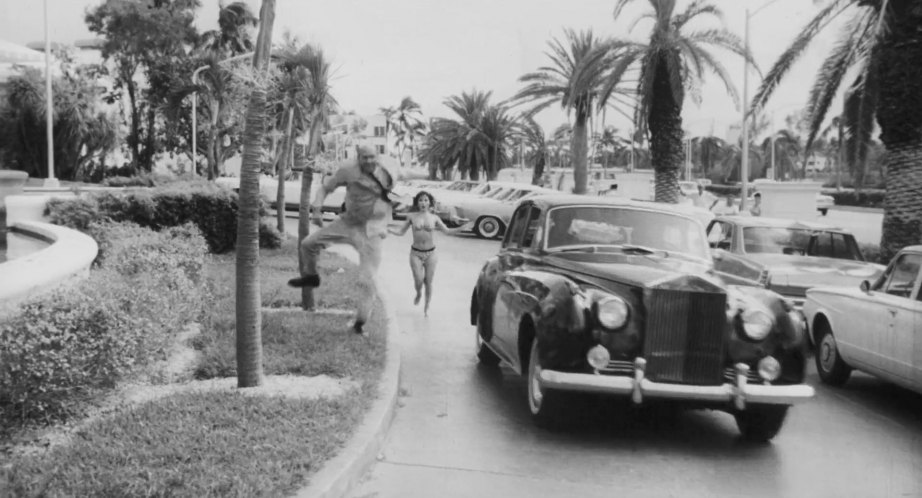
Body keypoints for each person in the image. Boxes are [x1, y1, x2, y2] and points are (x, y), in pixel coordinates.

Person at [288, 144, 399, 335]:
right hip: (347, 224)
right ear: (358, 158)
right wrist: (316, 207)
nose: (369, 161)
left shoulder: (388, 169)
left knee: (367, 279)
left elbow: (409, 172)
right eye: (365, 157)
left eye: (372, 157)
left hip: (371, 231)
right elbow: (325, 188)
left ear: (377, 156)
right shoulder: (347, 170)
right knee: (308, 244)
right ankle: (311, 277)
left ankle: (360, 323)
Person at [388, 191, 464, 317]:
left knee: (428, 281)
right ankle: (418, 293)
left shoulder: (435, 218)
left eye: (426, 200)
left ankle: (426, 307)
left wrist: (462, 228)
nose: (423, 203)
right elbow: (401, 232)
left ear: (430, 203)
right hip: (415, 253)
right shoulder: (411, 216)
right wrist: (388, 230)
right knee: (418, 280)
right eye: (420, 200)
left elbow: (447, 231)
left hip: (431, 254)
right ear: (417, 203)